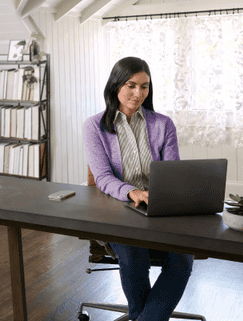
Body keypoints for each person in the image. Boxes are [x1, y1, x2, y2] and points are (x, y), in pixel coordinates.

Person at [83, 56, 193, 321]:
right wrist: (131, 192)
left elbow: (172, 171)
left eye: (144, 86)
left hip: (158, 209)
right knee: (134, 255)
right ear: (115, 86)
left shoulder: (163, 124)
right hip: (117, 210)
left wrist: (167, 195)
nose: (138, 93)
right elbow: (103, 177)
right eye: (131, 85)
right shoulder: (94, 126)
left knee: (182, 258)